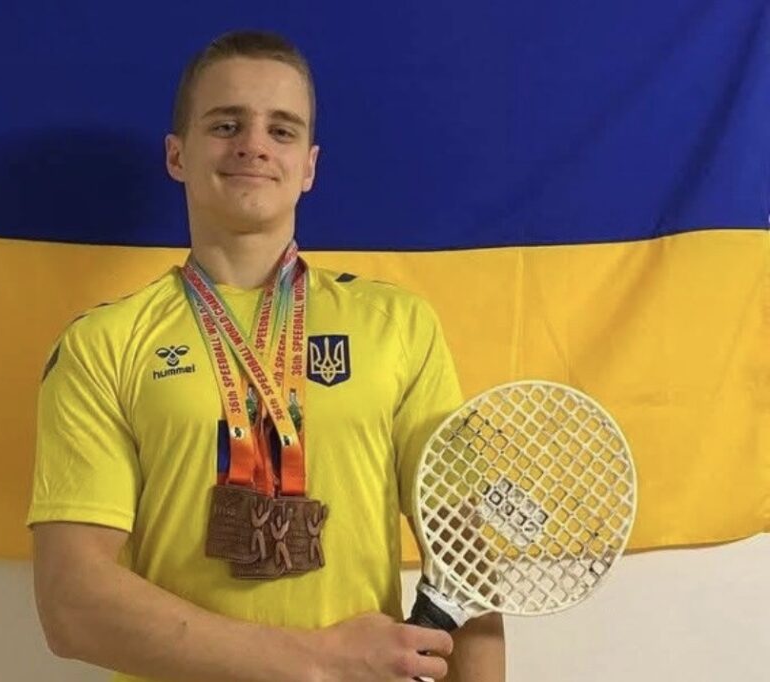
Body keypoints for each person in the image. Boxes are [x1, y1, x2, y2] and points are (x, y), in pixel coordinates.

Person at [27, 30, 505, 682]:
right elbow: (71, 605)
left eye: (281, 130)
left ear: (309, 165)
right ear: (177, 155)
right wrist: (317, 663)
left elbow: (466, 561)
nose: (253, 145)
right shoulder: (102, 343)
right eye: (226, 125)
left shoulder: (400, 326)